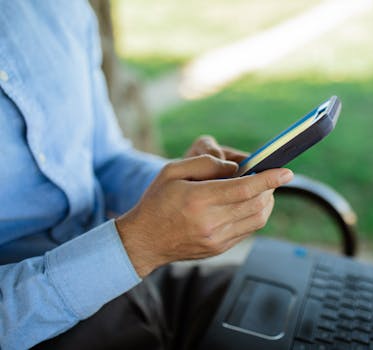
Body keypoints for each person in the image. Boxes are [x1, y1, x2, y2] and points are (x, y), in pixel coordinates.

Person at [0, 2, 293, 349]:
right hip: (35, 328)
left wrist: (180, 187)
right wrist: (135, 247)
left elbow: (104, 159)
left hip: (138, 284)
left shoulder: (59, 8)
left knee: (312, 309)